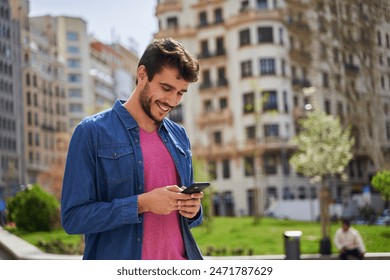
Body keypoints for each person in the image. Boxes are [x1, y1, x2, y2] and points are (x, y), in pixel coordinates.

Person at [61, 37, 204, 260]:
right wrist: (142, 203)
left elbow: (185, 220)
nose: (173, 101)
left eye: (180, 93)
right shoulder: (91, 133)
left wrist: (193, 210)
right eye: (166, 88)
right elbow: (73, 218)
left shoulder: (179, 137)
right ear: (142, 75)